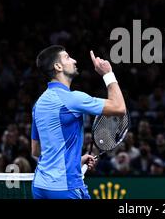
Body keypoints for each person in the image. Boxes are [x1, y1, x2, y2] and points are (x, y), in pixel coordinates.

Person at [31, 45, 126, 199]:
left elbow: (36, 150)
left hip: (40, 186)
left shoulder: (38, 104)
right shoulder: (72, 99)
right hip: (65, 187)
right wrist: (108, 74)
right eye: (68, 57)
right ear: (58, 66)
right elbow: (119, 107)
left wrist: (75, 159)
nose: (74, 60)